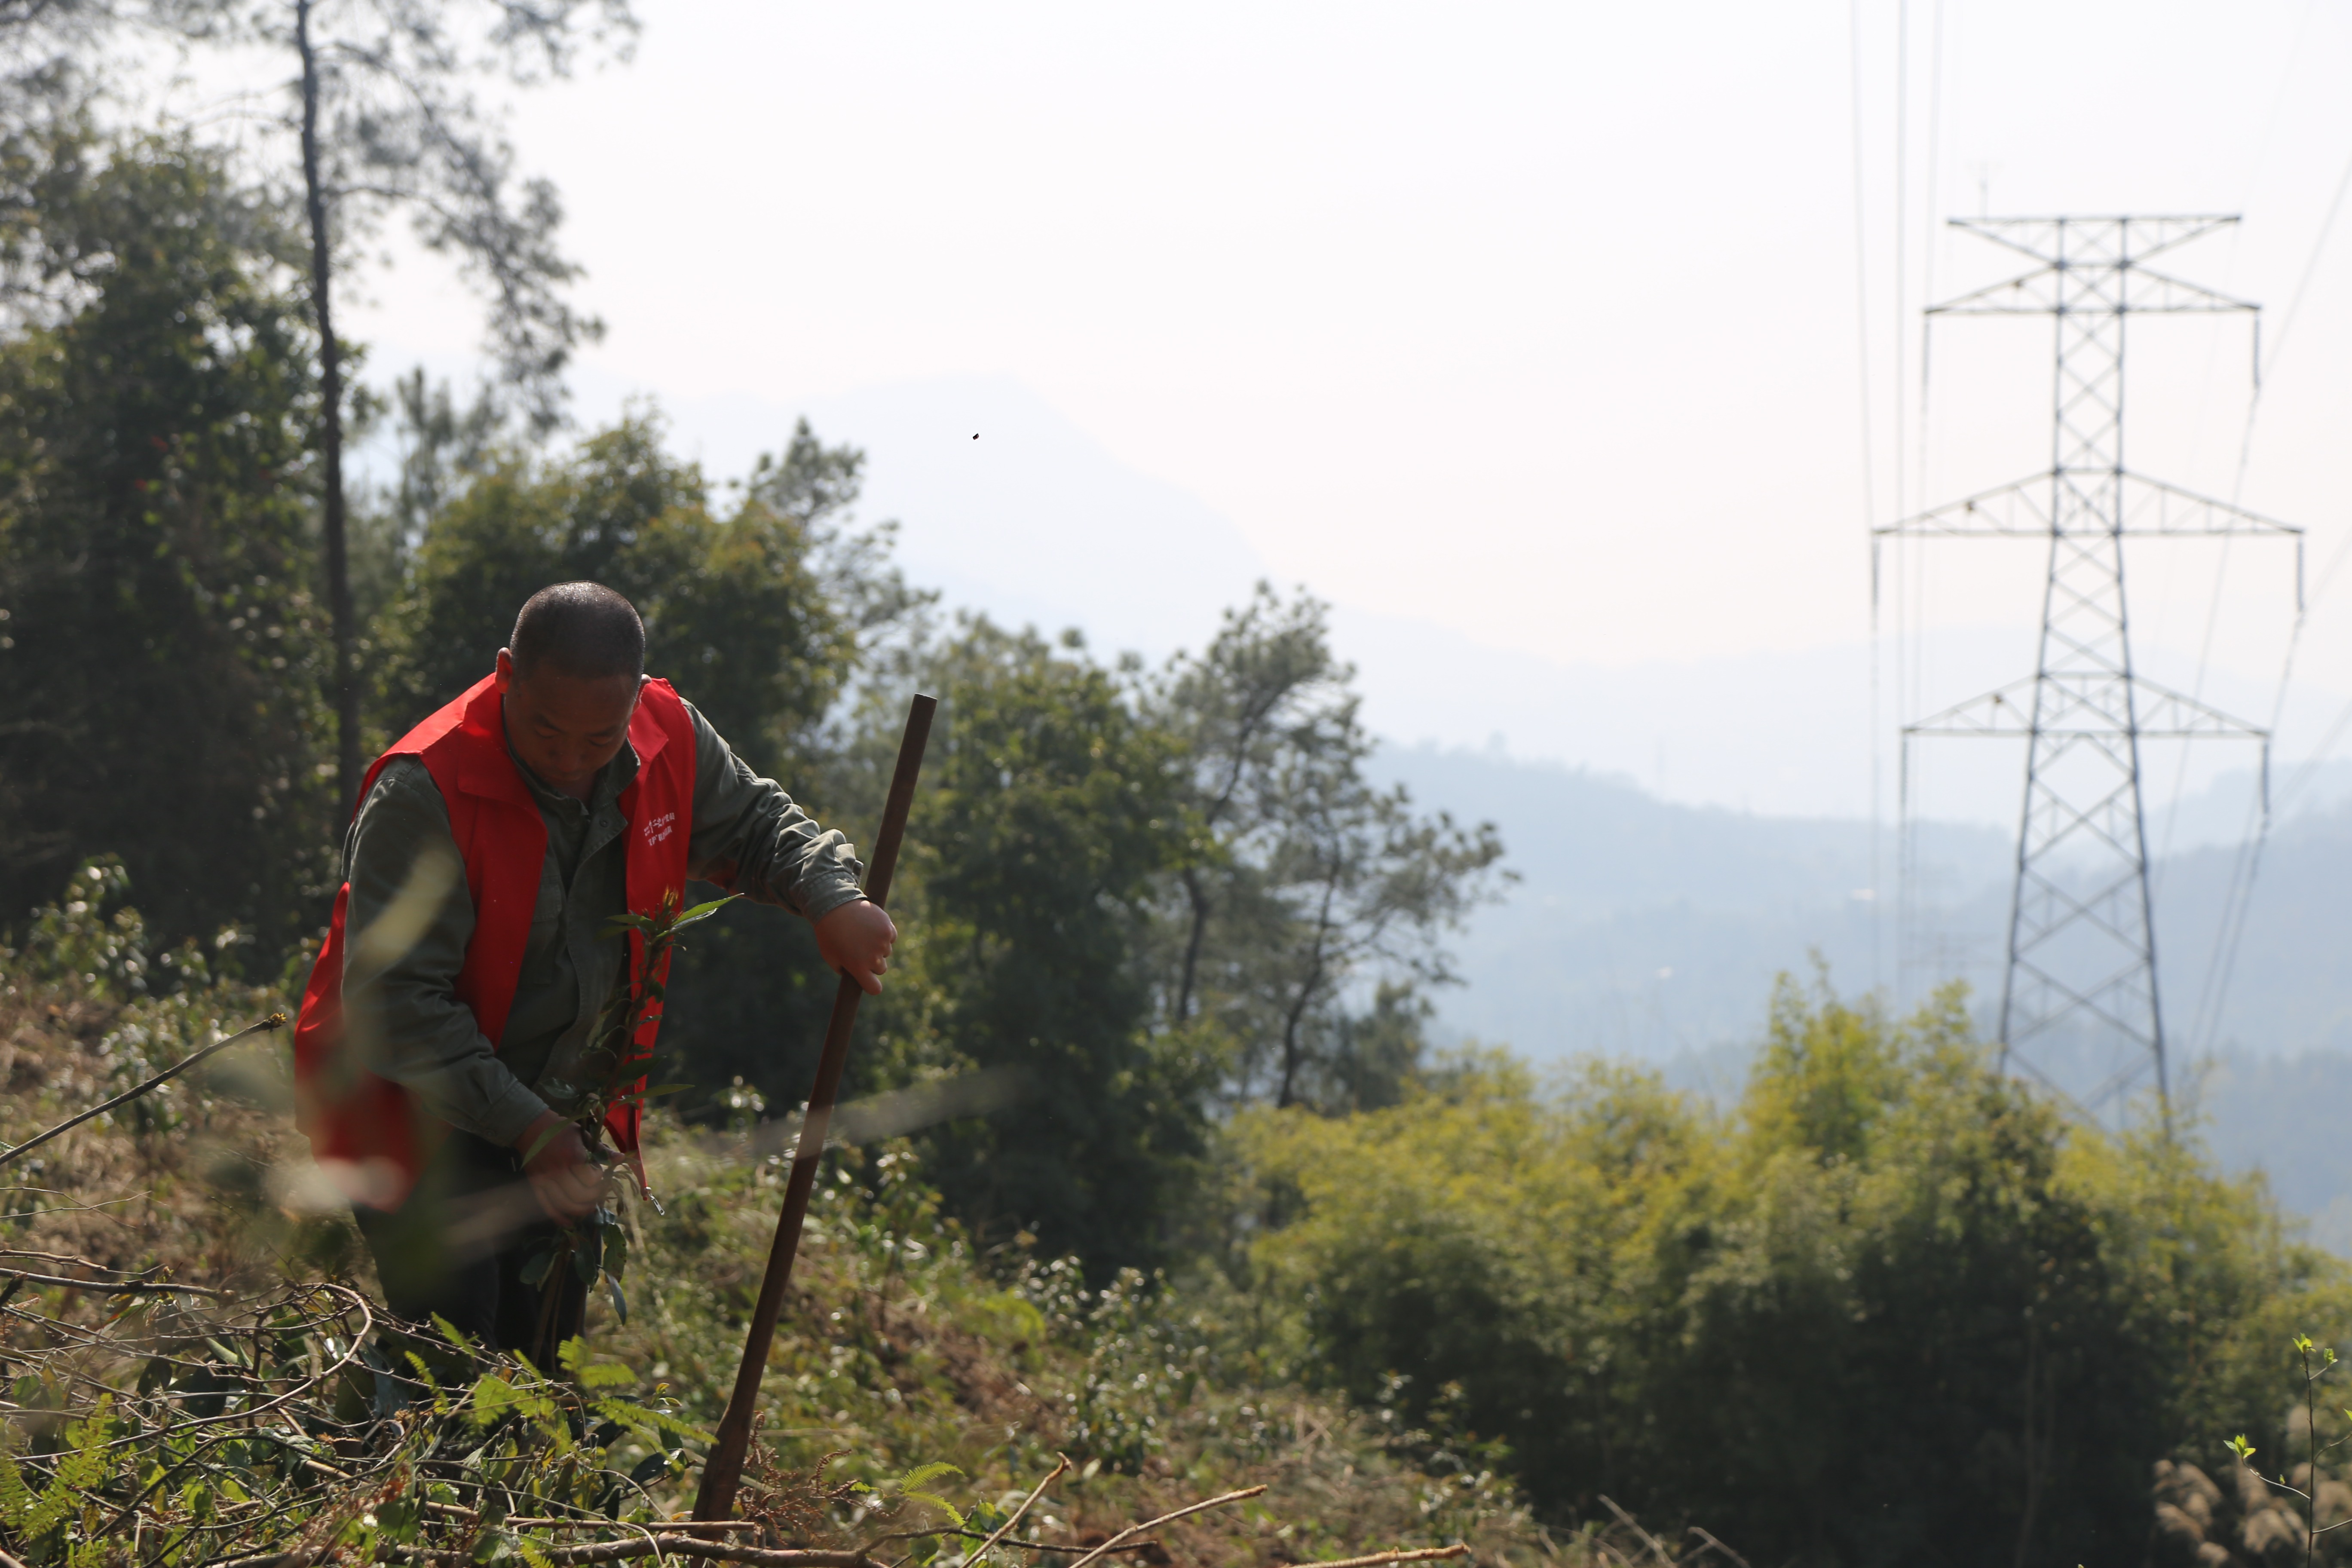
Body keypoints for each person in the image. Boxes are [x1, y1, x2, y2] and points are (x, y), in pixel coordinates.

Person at [292, 582, 895, 1362]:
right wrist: (532, 1129)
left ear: (635, 698)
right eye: (546, 732)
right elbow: (395, 1005)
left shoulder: (667, 733)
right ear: (505, 675)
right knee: (452, 1352)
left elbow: (754, 825)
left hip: (559, 1109)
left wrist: (832, 898)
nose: (571, 760)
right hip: (406, 1105)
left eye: (599, 740)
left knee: (540, 1357)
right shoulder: (424, 790)